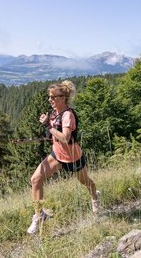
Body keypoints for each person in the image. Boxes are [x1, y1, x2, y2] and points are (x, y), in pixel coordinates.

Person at [27, 80, 100, 235]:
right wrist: (47, 127)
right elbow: (54, 134)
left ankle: (95, 196)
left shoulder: (68, 115)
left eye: (53, 97)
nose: (50, 100)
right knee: (36, 179)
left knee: (85, 181)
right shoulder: (55, 113)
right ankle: (39, 215)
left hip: (72, 157)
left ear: (62, 98)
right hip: (57, 155)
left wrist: (48, 126)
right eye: (49, 97)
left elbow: (66, 138)